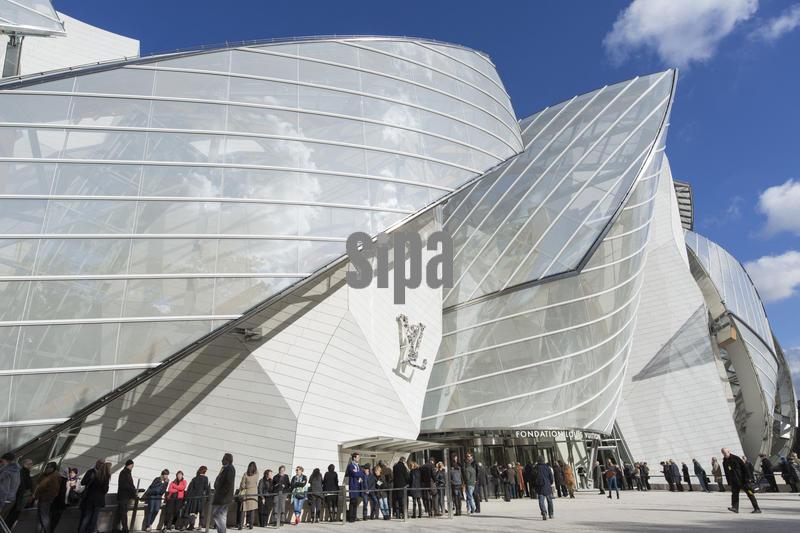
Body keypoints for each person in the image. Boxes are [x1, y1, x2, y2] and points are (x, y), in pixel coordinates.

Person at [722, 448, 760, 514]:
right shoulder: (725, 462)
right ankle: (735, 508)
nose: (724, 454)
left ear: (729, 452)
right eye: (723, 453)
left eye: (725, 453)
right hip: (734, 482)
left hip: (743, 480)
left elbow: (744, 468)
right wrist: (729, 482)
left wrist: (748, 478)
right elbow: (727, 473)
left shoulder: (736, 458)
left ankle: (757, 508)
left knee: (750, 494)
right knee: (734, 494)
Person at [78, 461, 111, 533]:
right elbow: (105, 489)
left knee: (87, 518)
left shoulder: (93, 472)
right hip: (95, 500)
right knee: (91, 518)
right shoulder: (104, 475)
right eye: (100, 464)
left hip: (90, 499)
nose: (100, 465)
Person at [212, 453, 236, 533]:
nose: (221, 460)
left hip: (224, 498)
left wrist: (221, 493)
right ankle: (221, 531)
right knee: (222, 516)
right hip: (222, 497)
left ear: (227, 460)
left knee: (217, 514)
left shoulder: (230, 469)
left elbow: (228, 484)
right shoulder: (224, 468)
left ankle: (222, 531)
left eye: (223, 459)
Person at [33, 461, 59, 533]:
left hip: (46, 499)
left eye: (48, 467)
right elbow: (39, 484)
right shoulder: (45, 475)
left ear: (53, 468)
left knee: (44, 516)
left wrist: (42, 496)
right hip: (43, 498)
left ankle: (47, 531)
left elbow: (53, 490)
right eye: (46, 467)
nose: (47, 469)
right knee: (40, 517)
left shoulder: (53, 476)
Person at [6, 458, 32, 527]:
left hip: (20, 496)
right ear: (26, 464)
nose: (31, 466)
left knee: (14, 513)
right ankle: (7, 527)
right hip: (20, 496)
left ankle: (7, 526)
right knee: (14, 514)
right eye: (30, 464)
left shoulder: (25, 472)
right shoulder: (23, 472)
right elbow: (24, 485)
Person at [185, 466, 210, 531]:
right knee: (201, 511)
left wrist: (187, 498)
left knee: (193, 512)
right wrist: (208, 498)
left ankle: (191, 525)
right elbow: (206, 488)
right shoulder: (205, 478)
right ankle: (200, 525)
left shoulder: (194, 478)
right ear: (205, 471)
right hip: (201, 497)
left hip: (194, 498)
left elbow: (190, 488)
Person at [115, 459, 136, 533]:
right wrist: (133, 490)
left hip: (123, 496)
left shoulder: (126, 472)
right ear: (129, 465)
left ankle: (115, 528)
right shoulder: (124, 473)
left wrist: (133, 489)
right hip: (124, 496)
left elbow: (128, 484)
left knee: (119, 513)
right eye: (132, 466)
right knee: (123, 513)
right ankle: (125, 529)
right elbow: (125, 485)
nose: (132, 467)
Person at [237, 462, 258, 529]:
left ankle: (240, 525)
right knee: (252, 510)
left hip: (247, 492)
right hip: (254, 493)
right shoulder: (257, 474)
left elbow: (242, 485)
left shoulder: (245, 474)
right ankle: (251, 525)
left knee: (243, 509)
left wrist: (244, 486)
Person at [0, 452, 21, 517]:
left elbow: (4, 490)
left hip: (4, 500)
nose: (2, 463)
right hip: (11, 499)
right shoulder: (16, 470)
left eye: (2, 461)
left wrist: (1, 505)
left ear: (7, 461)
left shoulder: (7, 473)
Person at [533, 456, 553, 521]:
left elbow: (533, 477)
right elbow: (551, 477)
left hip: (540, 486)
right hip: (547, 486)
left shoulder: (536, 468)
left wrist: (534, 486)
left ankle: (544, 512)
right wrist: (550, 483)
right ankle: (551, 514)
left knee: (541, 501)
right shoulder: (547, 467)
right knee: (549, 501)